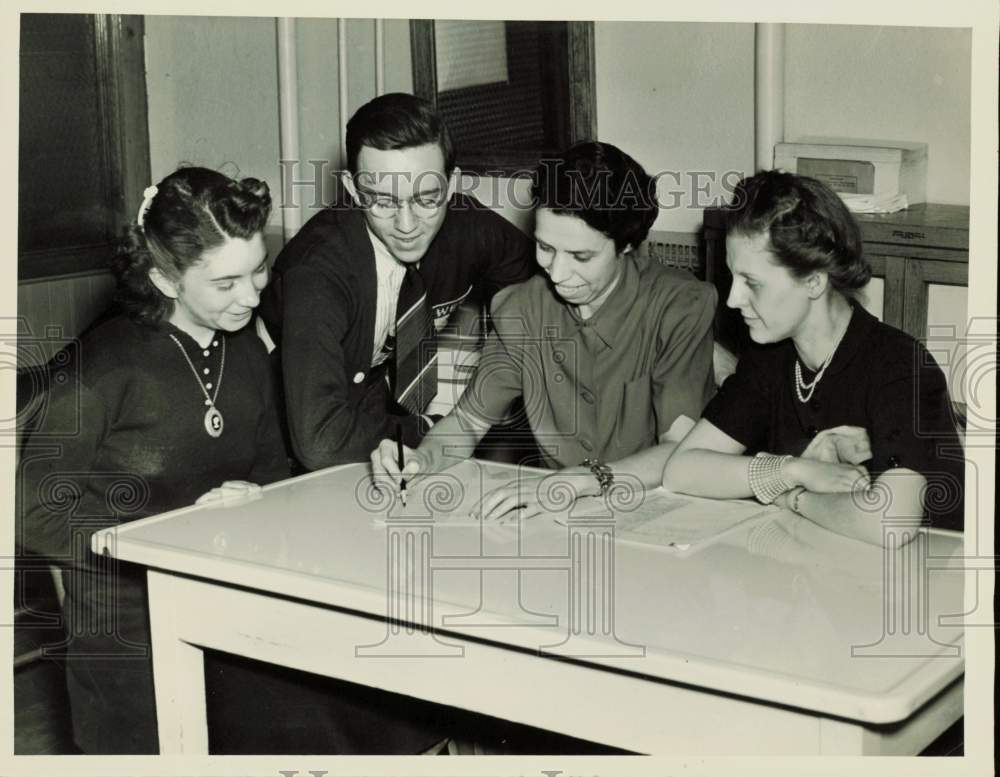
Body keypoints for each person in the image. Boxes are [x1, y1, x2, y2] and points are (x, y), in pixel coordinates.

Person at [17, 167, 290, 753]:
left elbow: (275, 470)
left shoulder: (244, 350)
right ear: (164, 279)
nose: (252, 295)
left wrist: (258, 498)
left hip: (226, 611)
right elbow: (31, 510)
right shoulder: (104, 367)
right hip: (123, 631)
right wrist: (161, 536)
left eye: (258, 269)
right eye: (226, 283)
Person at [372, 141, 717, 517]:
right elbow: (467, 424)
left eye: (581, 257)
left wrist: (584, 480)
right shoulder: (520, 309)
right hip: (560, 512)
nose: (557, 272)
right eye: (545, 247)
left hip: (661, 509)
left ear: (628, 245)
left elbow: (681, 449)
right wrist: (420, 461)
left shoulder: (680, 307)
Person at [662, 170, 964, 545]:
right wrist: (793, 471)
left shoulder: (900, 366)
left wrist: (796, 499)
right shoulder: (770, 358)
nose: (733, 299)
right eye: (732, 278)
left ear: (814, 282)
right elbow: (682, 470)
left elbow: (890, 522)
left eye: (751, 283)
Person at [258, 92, 536, 470]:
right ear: (353, 189)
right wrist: (437, 432)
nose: (407, 226)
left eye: (426, 199)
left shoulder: (469, 226)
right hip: (278, 428)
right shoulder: (318, 271)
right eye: (384, 201)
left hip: (369, 410)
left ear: (451, 185)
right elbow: (320, 441)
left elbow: (532, 280)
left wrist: (512, 326)